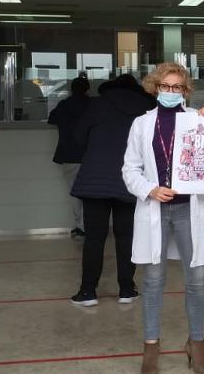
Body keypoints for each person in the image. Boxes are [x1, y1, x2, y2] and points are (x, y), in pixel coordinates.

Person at [122, 63, 204, 374]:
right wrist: (149, 190)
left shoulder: (196, 120)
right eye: (166, 86)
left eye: (177, 88)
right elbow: (130, 169)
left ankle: (197, 344)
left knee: (197, 282)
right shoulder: (141, 124)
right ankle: (151, 346)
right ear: (155, 88)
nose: (171, 92)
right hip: (155, 209)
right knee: (152, 281)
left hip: (189, 209)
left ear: (185, 90)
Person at [69, 73, 154, 307]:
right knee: (126, 237)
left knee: (94, 238)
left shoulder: (96, 105)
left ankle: (87, 292)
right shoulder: (146, 108)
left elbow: (77, 137)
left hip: (95, 179)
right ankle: (127, 289)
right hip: (131, 179)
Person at [49, 74, 91, 238]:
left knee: (75, 192)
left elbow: (52, 119)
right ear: (87, 89)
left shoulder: (64, 105)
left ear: (71, 89)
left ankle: (80, 226)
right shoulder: (94, 105)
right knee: (90, 193)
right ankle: (90, 226)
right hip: (90, 155)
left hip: (69, 154)